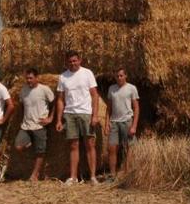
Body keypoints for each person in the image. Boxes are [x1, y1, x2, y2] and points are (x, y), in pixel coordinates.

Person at [55, 51, 100, 185]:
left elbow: (95, 95)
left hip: (85, 112)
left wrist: (95, 115)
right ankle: (73, 177)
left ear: (80, 60)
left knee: (90, 144)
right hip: (70, 113)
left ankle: (92, 177)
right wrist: (58, 119)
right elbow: (60, 100)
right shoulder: (63, 77)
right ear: (66, 62)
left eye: (75, 61)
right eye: (70, 61)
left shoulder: (87, 73)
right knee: (73, 145)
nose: (72, 63)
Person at [14, 68, 55, 181]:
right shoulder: (23, 90)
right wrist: (22, 119)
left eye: (31, 78)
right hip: (26, 126)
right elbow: (22, 105)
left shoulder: (44, 90)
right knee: (18, 146)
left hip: (39, 126)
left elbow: (55, 103)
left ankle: (35, 175)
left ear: (37, 78)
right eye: (27, 78)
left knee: (40, 152)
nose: (28, 80)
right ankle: (29, 143)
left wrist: (51, 118)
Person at [104, 68, 140, 181]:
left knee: (128, 148)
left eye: (121, 75)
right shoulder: (111, 89)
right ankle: (112, 175)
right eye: (117, 76)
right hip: (114, 122)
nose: (119, 78)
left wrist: (134, 126)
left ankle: (127, 173)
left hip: (127, 121)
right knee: (111, 148)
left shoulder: (131, 88)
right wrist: (106, 123)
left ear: (125, 76)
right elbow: (108, 108)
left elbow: (136, 108)